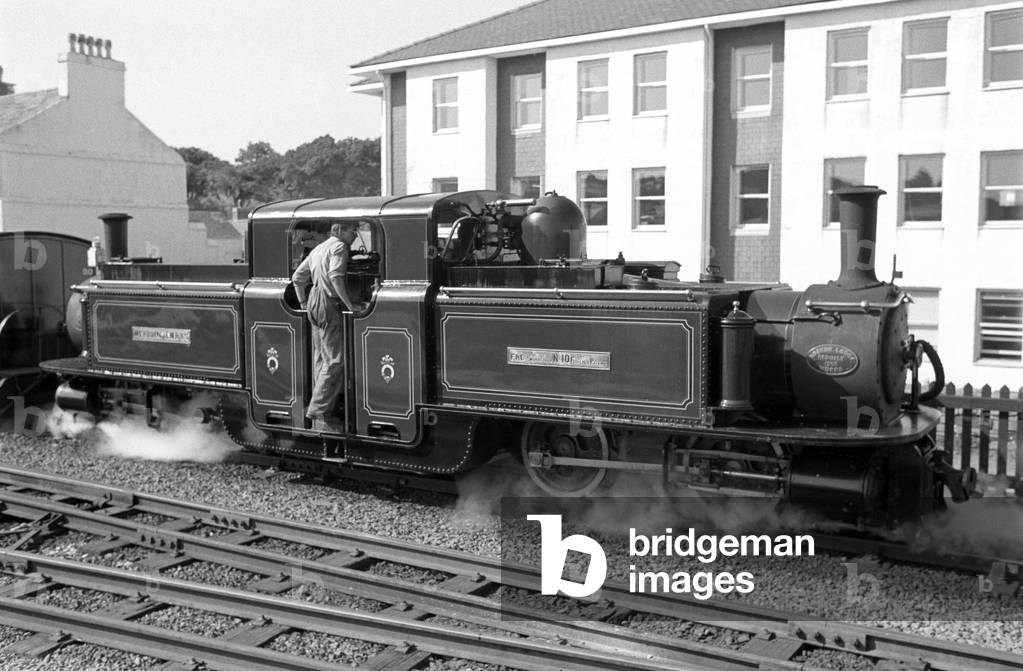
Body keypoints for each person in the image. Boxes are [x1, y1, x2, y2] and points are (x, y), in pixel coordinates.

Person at [291, 221, 365, 433]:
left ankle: (322, 409)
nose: (355, 236)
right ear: (339, 230)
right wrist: (351, 306)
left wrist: (304, 303)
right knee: (336, 360)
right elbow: (335, 277)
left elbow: (298, 277)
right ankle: (319, 411)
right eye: (353, 231)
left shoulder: (318, 248)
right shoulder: (339, 246)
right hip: (327, 301)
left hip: (314, 300)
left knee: (321, 358)